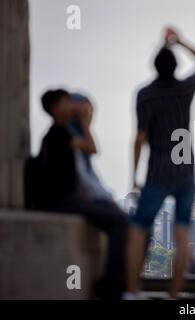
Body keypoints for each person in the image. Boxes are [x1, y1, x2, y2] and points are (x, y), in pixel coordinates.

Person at [125, 27, 195, 299]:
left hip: (158, 170)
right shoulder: (185, 90)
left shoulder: (145, 95)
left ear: (154, 66)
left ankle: (133, 291)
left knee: (139, 230)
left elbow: (139, 138)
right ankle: (175, 295)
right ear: (175, 66)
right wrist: (180, 41)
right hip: (184, 168)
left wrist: (133, 176)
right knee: (182, 235)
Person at [38, 89, 127, 299]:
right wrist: (85, 123)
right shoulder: (57, 135)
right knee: (119, 222)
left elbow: (91, 149)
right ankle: (111, 286)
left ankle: (113, 283)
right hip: (63, 201)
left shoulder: (64, 134)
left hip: (69, 199)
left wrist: (84, 121)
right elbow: (91, 147)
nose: (71, 106)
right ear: (55, 108)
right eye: (66, 102)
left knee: (121, 220)